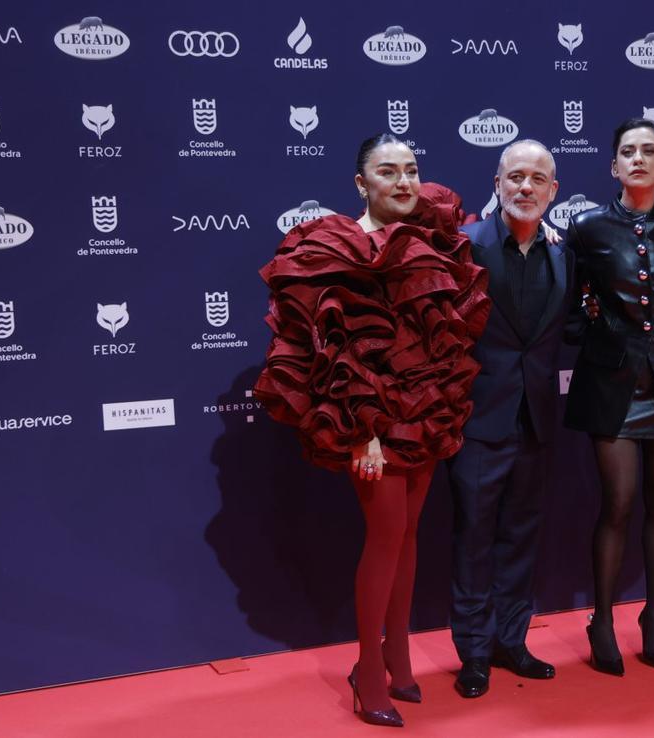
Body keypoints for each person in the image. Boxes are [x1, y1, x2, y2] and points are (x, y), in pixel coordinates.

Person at [254, 133, 490, 726]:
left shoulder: (431, 240)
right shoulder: (334, 246)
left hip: (425, 407)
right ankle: (367, 672)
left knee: (410, 534)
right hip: (365, 421)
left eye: (412, 170)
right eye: (389, 172)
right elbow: (333, 350)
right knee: (385, 535)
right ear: (361, 184)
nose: (405, 182)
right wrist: (365, 432)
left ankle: (400, 660)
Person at [563, 119, 654, 676]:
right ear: (613, 166)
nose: (639, 159)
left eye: (650, 151)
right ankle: (601, 620)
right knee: (618, 502)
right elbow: (570, 305)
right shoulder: (587, 228)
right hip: (613, 382)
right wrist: (598, 328)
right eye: (628, 151)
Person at [447, 139, 575, 698]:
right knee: (474, 538)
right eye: (515, 177)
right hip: (478, 420)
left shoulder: (563, 253)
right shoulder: (465, 248)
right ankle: (473, 654)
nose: (526, 187)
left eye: (537, 179)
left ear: (554, 190)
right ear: (497, 184)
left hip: (537, 422)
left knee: (521, 537)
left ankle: (511, 642)